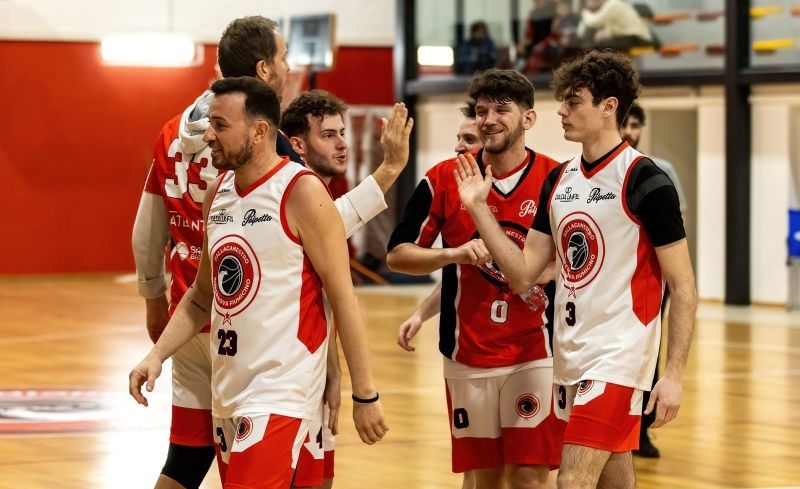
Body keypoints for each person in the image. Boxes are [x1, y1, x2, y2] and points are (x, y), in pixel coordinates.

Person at [131, 15, 411, 489]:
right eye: (283, 58)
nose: (289, 67)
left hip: (274, 372)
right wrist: (155, 354)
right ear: (264, 69)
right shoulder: (229, 182)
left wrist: (153, 297)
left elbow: (146, 234)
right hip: (223, 344)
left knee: (185, 461)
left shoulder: (177, 135)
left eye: (220, 126)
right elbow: (204, 293)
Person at [454, 50, 697, 488]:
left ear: (608, 106)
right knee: (612, 480)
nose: (561, 111)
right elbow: (522, 274)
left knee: (572, 480)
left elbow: (682, 287)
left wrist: (674, 374)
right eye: (561, 100)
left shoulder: (645, 180)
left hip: (618, 355)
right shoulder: (558, 180)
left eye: (573, 101)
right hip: (569, 354)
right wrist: (478, 207)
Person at [387, 68, 563, 489]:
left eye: (502, 109)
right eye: (482, 111)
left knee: (529, 477)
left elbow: (574, 260)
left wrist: (547, 270)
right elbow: (397, 255)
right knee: (485, 479)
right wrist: (454, 254)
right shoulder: (442, 178)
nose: (489, 119)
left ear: (529, 118)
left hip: (536, 351)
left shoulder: (557, 179)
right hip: (467, 354)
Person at [279, 89, 413, 488]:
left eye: (342, 133)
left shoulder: (314, 194)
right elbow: (337, 222)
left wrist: (333, 367)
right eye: (328, 135)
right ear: (298, 144)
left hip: (311, 369)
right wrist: (390, 167)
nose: (342, 144)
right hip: (282, 379)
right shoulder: (289, 195)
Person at [620, 103, 688, 459]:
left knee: (648, 353)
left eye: (635, 125)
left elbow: (677, 225)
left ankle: (642, 429)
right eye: (626, 124)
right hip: (610, 281)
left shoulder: (659, 170)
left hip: (649, 281)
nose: (630, 131)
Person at [578, 0, 654, 51]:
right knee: (599, 44)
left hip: (637, 38)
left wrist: (585, 12)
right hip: (633, 37)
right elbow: (614, 28)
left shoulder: (613, 4)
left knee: (598, 47)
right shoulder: (614, 3)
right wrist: (603, 35)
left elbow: (593, 22)